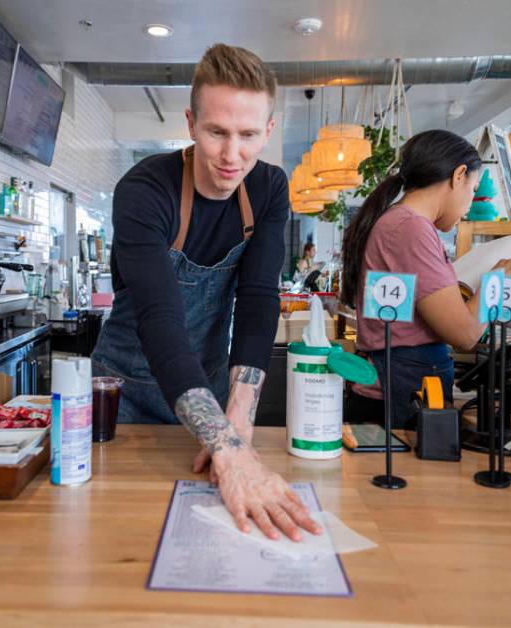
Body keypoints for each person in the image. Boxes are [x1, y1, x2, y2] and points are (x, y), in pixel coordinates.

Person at [92, 44, 320, 542]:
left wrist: (237, 418)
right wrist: (225, 443)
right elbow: (160, 317)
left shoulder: (268, 188)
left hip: (211, 397)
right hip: (125, 396)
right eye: (217, 132)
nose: (231, 155)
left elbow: (259, 297)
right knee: (116, 534)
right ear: (192, 122)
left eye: (248, 135)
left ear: (269, 131)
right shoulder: (145, 189)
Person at [341, 130, 511, 426]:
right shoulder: (411, 228)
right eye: (473, 189)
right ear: (458, 176)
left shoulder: (401, 222)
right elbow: (465, 335)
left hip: (396, 392)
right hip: (397, 400)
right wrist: (498, 281)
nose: (470, 204)